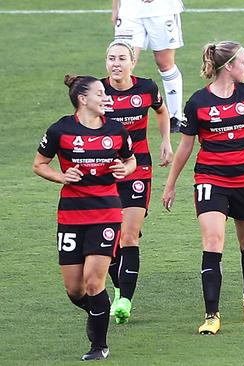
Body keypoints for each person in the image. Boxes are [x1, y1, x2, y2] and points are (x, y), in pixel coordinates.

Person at [163, 41, 244, 334]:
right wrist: (170, 184)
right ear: (229, 67)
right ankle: (212, 314)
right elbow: (186, 147)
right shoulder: (198, 102)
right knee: (212, 242)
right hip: (211, 180)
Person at [33, 74, 136, 360]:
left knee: (93, 282)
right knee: (75, 289)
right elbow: (39, 164)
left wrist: (124, 170)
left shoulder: (116, 130)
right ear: (83, 99)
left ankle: (98, 346)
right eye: (100, 93)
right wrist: (62, 176)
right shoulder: (60, 130)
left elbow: (131, 159)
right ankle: (100, 310)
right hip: (70, 216)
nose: (106, 98)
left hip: (106, 214)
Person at [102, 40, 174, 324]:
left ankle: (124, 301)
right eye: (111, 58)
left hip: (137, 168)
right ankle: (120, 286)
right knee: (110, 239)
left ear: (132, 62)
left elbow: (161, 111)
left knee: (129, 235)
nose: (116, 63)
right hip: (104, 171)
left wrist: (166, 141)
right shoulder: (97, 92)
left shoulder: (146, 88)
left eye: (121, 58)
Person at [112, 0, 186, 132]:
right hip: (130, 10)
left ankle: (175, 116)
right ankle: (118, 112)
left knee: (165, 63)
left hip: (162, 9)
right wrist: (115, 6)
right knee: (123, 60)